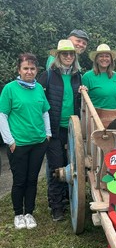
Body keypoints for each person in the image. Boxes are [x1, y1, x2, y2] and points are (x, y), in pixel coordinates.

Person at [0, 53, 51, 229]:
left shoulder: (38, 89)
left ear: (36, 70)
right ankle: (17, 214)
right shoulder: (10, 89)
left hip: (38, 142)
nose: (29, 71)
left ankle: (29, 212)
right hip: (19, 144)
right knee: (20, 180)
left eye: (32, 68)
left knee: (32, 179)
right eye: (25, 68)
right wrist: (10, 140)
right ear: (19, 70)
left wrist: (48, 134)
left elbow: (45, 111)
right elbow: (2, 115)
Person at [38, 39, 82, 221]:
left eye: (71, 54)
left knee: (72, 165)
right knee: (57, 166)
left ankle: (68, 199)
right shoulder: (48, 75)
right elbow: (38, 100)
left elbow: (78, 101)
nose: (68, 57)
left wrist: (82, 91)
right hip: (54, 129)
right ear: (58, 56)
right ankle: (56, 206)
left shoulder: (77, 76)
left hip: (72, 128)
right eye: (65, 54)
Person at [82, 44, 116, 109]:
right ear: (96, 59)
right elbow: (83, 101)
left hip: (115, 116)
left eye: (107, 56)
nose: (104, 58)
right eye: (101, 56)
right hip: (95, 116)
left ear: (111, 59)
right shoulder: (87, 77)